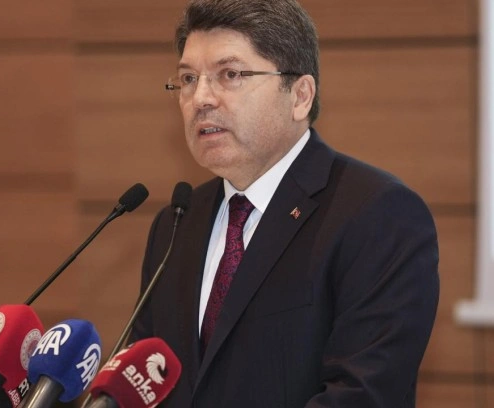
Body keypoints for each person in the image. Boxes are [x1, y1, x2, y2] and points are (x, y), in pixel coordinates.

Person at [130, 0, 440, 406]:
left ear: (299, 96)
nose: (201, 98)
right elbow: (142, 381)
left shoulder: (378, 215)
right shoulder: (176, 223)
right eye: (188, 78)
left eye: (230, 74)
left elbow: (362, 394)